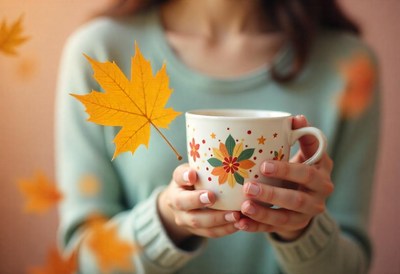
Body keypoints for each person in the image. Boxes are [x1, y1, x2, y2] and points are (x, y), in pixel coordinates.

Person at [55, 0, 380, 273]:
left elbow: (352, 265)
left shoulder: (349, 66)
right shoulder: (101, 50)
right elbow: (79, 259)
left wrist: (303, 231)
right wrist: (168, 221)